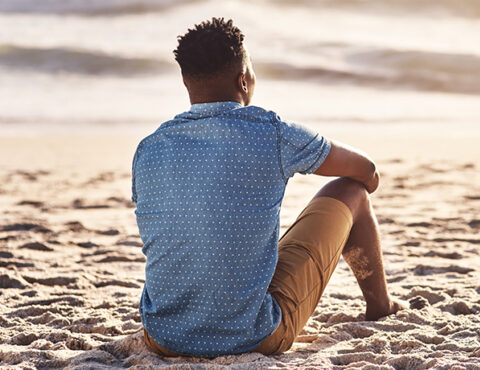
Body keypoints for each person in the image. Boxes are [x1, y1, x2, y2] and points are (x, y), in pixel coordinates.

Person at [131, 17, 404, 358]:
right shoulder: (271, 132)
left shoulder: (150, 147)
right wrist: (368, 185)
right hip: (254, 337)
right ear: (243, 79)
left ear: (187, 82)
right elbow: (367, 171)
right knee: (352, 192)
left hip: (163, 338)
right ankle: (381, 307)